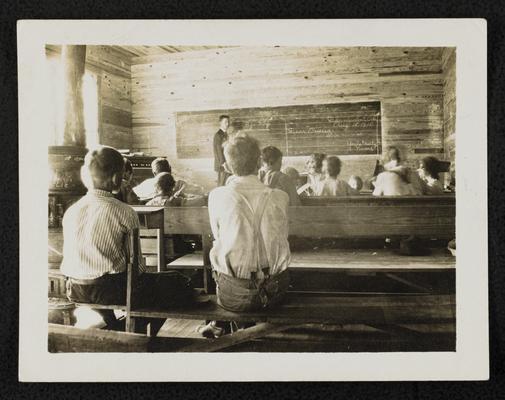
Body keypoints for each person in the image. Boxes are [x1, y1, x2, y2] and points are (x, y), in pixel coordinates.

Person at [61, 146, 194, 332]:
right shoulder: (124, 211)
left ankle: (115, 326)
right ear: (117, 178)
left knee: (161, 284)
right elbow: (137, 268)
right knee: (176, 285)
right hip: (112, 291)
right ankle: (135, 334)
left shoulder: (71, 211)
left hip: (75, 289)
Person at [201, 135, 291, 337]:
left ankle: (230, 329)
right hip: (274, 291)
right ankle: (242, 332)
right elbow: (283, 235)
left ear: (226, 166)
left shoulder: (217, 196)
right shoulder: (280, 197)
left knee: (221, 258)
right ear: (259, 162)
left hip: (234, 294)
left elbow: (218, 237)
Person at [133, 157, 203, 201]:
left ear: (154, 173)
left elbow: (133, 194)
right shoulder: (180, 183)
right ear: (170, 170)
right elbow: (200, 190)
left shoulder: (146, 184)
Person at [213, 115, 231, 186]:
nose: (227, 124)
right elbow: (218, 151)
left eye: (228, 122)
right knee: (221, 184)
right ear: (220, 123)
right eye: (225, 122)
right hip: (222, 165)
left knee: (226, 183)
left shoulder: (225, 134)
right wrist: (224, 164)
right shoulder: (218, 135)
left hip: (227, 164)